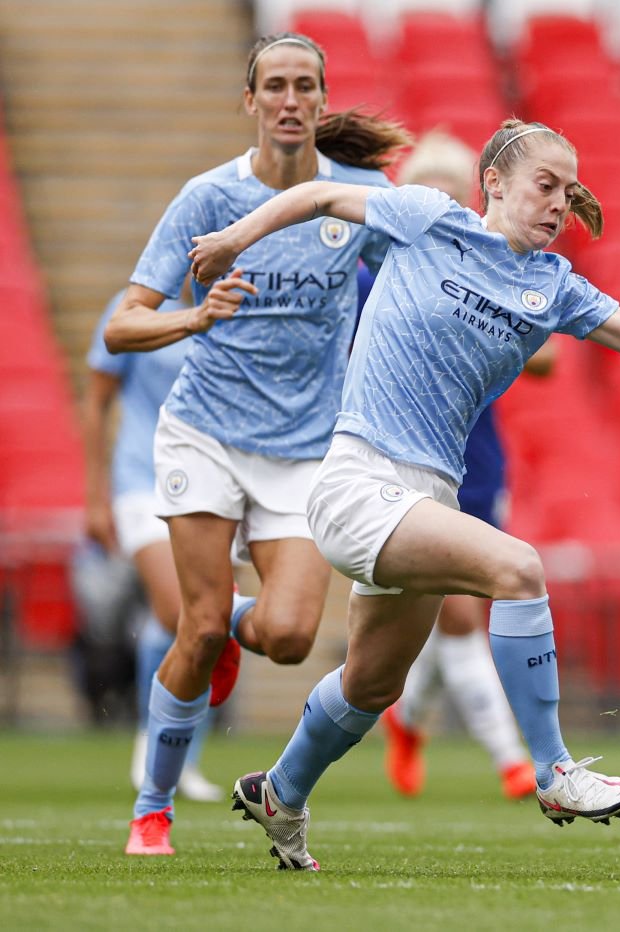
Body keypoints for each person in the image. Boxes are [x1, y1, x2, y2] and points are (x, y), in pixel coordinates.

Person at [188, 118, 620, 871]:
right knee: (519, 567)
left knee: (371, 685)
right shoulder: (431, 220)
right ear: (493, 182)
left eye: (569, 191)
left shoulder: (554, 285)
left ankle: (281, 792)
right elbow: (318, 194)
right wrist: (236, 237)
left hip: (429, 493)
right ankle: (556, 770)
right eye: (545, 184)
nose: (559, 203)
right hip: (358, 477)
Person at [105, 32, 412, 857]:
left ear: (319, 99)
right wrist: (195, 316)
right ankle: (151, 809)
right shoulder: (207, 198)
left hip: (307, 447)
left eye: (303, 86)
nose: (288, 99)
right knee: (196, 631)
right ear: (250, 102)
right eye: (273, 85)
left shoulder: (357, 195)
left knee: (287, 636)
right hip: (204, 432)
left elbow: (415, 273)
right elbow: (122, 323)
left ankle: (228, 621)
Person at [363, 130, 541, 801]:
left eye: (451, 198)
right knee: (462, 616)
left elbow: (546, 354)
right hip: (404, 456)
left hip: (478, 460)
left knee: (445, 612)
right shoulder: (379, 273)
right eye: (426, 198)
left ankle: (407, 719)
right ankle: (512, 759)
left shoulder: (492, 267)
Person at [83, 289, 235, 803]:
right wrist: (94, 495)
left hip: (212, 481)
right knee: (181, 611)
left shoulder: (237, 296)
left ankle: (182, 758)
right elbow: (97, 397)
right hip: (141, 477)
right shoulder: (133, 304)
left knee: (204, 620)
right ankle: (154, 744)